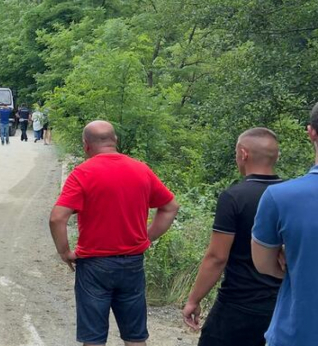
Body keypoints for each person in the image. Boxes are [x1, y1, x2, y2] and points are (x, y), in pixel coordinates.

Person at [49, 120, 179, 346]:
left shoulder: (82, 173)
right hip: (132, 263)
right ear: (115, 140)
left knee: (94, 338)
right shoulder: (141, 169)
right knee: (135, 336)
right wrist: (146, 237)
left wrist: (65, 252)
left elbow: (57, 218)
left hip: (93, 265)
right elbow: (170, 207)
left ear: (86, 145)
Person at [182, 128, 283, 346]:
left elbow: (217, 257)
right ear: (277, 157)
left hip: (238, 305)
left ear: (243, 154)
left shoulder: (234, 197)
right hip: (283, 304)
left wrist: (193, 300)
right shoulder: (291, 194)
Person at [251, 102, 318, 346]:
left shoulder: (280, 197)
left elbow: (265, 264)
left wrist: (298, 261)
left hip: (297, 333)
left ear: (311, 131)